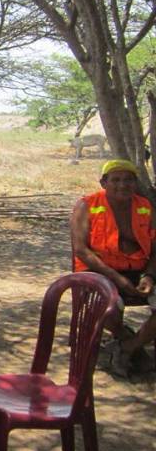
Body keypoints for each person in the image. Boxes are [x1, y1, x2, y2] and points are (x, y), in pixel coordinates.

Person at [71, 159, 156, 377]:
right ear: (103, 182)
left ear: (135, 183)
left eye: (128, 180)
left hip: (138, 270)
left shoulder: (145, 207)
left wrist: (148, 276)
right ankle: (127, 339)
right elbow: (81, 250)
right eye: (115, 180)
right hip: (99, 270)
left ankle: (128, 347)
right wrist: (118, 280)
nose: (122, 185)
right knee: (106, 304)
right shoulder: (86, 205)